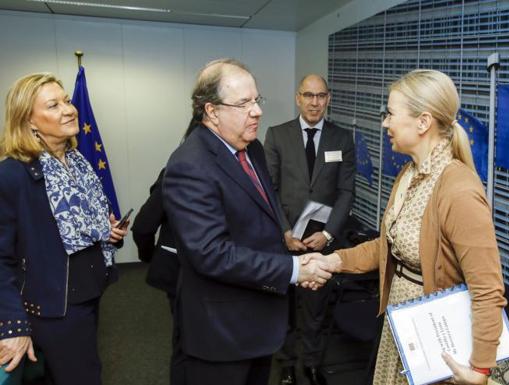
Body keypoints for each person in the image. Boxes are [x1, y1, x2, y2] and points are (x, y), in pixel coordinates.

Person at [305, 69, 507, 385]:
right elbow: (387, 245)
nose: (385, 122)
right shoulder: (409, 174)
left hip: (437, 343)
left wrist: (480, 371)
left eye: (391, 113)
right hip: (402, 324)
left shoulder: (459, 189)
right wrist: (333, 261)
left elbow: (487, 289)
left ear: (423, 122)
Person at [161, 58, 333, 385]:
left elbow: (263, 215)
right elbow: (211, 253)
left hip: (259, 321)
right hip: (221, 332)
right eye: (243, 103)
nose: (256, 111)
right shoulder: (190, 166)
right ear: (211, 111)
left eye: (256, 100)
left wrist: (294, 254)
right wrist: (295, 271)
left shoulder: (250, 147)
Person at [0, 73, 128, 385]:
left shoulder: (76, 161)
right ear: (29, 121)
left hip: (89, 290)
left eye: (67, 101)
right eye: (53, 105)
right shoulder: (12, 175)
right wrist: (13, 324)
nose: (69, 109)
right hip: (53, 305)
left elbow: (78, 227)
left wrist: (106, 232)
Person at [264, 74, 355, 385]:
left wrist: (329, 233)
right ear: (297, 98)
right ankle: (287, 365)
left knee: (316, 309)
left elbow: (345, 192)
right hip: (285, 240)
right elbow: (270, 189)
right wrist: (284, 231)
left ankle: (312, 365)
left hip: (322, 242)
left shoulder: (342, 139)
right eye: (308, 95)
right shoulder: (277, 136)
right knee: (286, 306)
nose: (315, 102)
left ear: (328, 98)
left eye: (321, 96)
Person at [132, 119, 198, 313]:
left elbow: (143, 226)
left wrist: (149, 256)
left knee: (186, 335)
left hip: (182, 274)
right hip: (229, 277)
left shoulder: (176, 170)